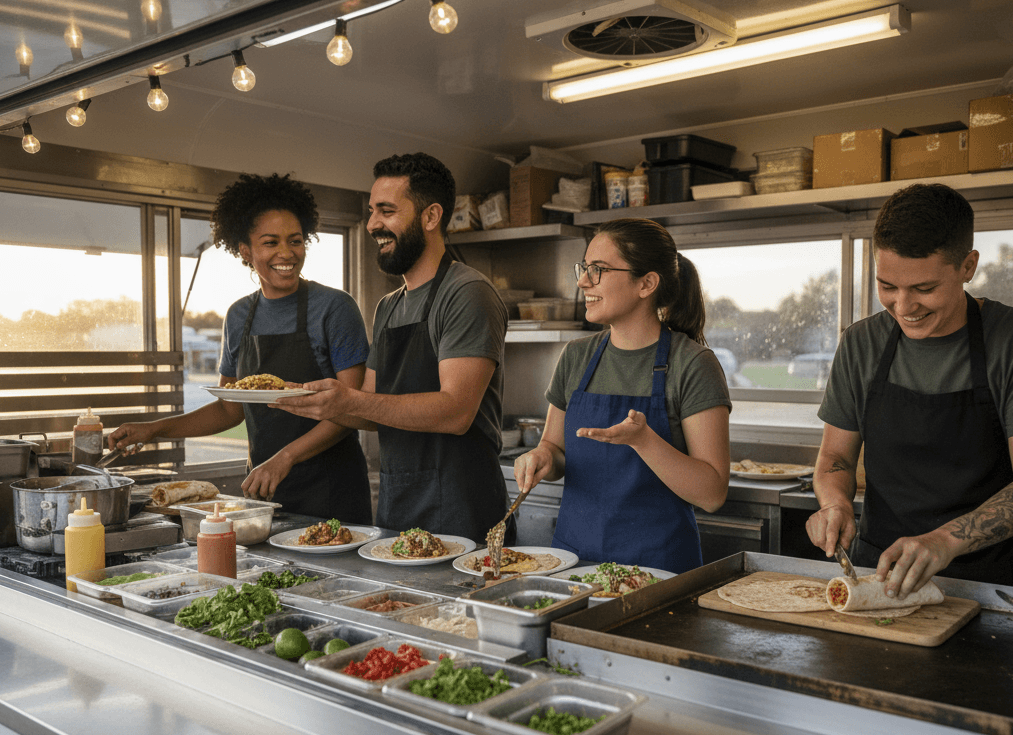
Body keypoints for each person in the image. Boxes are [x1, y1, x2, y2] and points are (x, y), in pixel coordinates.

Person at [805, 183, 1013, 595]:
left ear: (968, 266)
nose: (903, 307)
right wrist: (835, 504)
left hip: (989, 585)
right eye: (888, 286)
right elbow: (836, 458)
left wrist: (943, 541)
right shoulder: (861, 343)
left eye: (924, 289)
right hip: (876, 578)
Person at [108, 172, 372, 523]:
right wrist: (154, 429)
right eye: (270, 242)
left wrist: (285, 457)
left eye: (295, 241)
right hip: (265, 486)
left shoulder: (334, 308)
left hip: (332, 488)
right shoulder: (239, 316)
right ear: (245, 250)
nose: (286, 253)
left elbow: (351, 409)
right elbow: (230, 409)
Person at [272, 153, 508, 544]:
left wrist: (350, 401)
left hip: (462, 511)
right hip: (400, 507)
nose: (372, 225)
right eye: (371, 211)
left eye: (386, 211)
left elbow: (456, 412)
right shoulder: (389, 305)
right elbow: (373, 406)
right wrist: (324, 403)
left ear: (431, 217)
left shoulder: (467, 293)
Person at [512, 218, 732, 573]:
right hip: (574, 563)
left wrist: (644, 441)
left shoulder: (692, 364)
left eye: (598, 270)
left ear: (646, 283)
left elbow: (712, 493)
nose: (582, 281)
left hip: (656, 571)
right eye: (584, 268)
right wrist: (540, 458)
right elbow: (555, 451)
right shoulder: (576, 357)